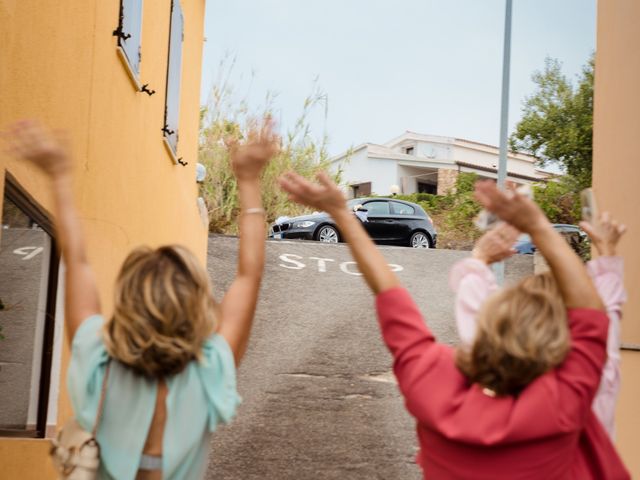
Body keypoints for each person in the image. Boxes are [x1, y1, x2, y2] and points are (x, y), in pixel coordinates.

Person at [278, 172, 629, 479]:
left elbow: (388, 290)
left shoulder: (431, 379)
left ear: (487, 327)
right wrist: (538, 227)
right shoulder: (566, 397)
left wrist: (341, 213)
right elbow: (594, 315)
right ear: (560, 346)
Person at [5, 119, 279, 479]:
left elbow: (77, 260)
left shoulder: (99, 360)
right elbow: (249, 276)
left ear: (129, 303)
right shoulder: (210, 370)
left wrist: (59, 178)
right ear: (196, 309)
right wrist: (247, 179)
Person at [451, 214, 627, 439]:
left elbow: (476, 311)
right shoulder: (596, 378)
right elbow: (606, 314)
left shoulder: (497, 370)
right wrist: (608, 252)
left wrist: (481, 257)